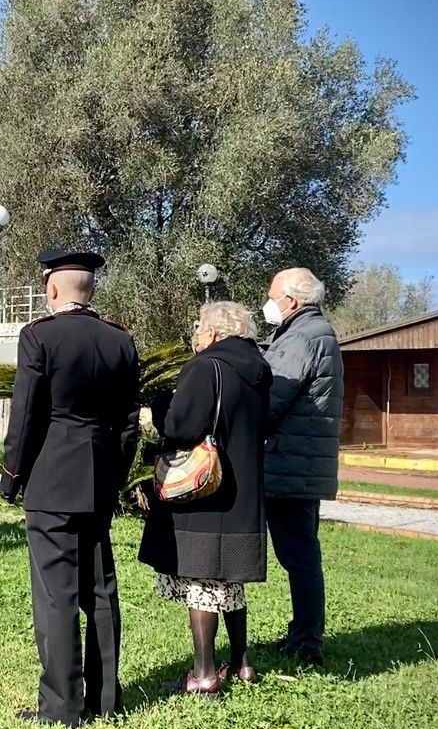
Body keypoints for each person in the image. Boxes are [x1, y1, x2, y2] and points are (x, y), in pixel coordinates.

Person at [0, 250, 140, 729]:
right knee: (100, 590)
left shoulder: (38, 336)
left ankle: (61, 707)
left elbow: (26, 415)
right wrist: (115, 475)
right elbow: (128, 424)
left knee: (57, 596)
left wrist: (11, 476)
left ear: (52, 289)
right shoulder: (121, 340)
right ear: (92, 292)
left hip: (51, 479)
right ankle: (105, 698)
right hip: (100, 477)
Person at [137, 301, 273, 696]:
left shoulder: (205, 366)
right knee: (229, 581)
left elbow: (181, 426)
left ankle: (204, 675)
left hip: (206, 492)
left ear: (213, 332)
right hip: (243, 492)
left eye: (198, 329)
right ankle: (243, 663)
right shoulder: (258, 370)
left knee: (202, 580)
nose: (195, 335)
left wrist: (161, 411)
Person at [260, 267, 343, 665]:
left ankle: (308, 642)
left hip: (291, 464)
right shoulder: (307, 332)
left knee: (299, 556)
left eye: (272, 294)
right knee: (301, 554)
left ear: (290, 301)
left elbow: (273, 395)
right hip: (300, 462)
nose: (268, 302)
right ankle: (302, 633)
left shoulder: (303, 336)